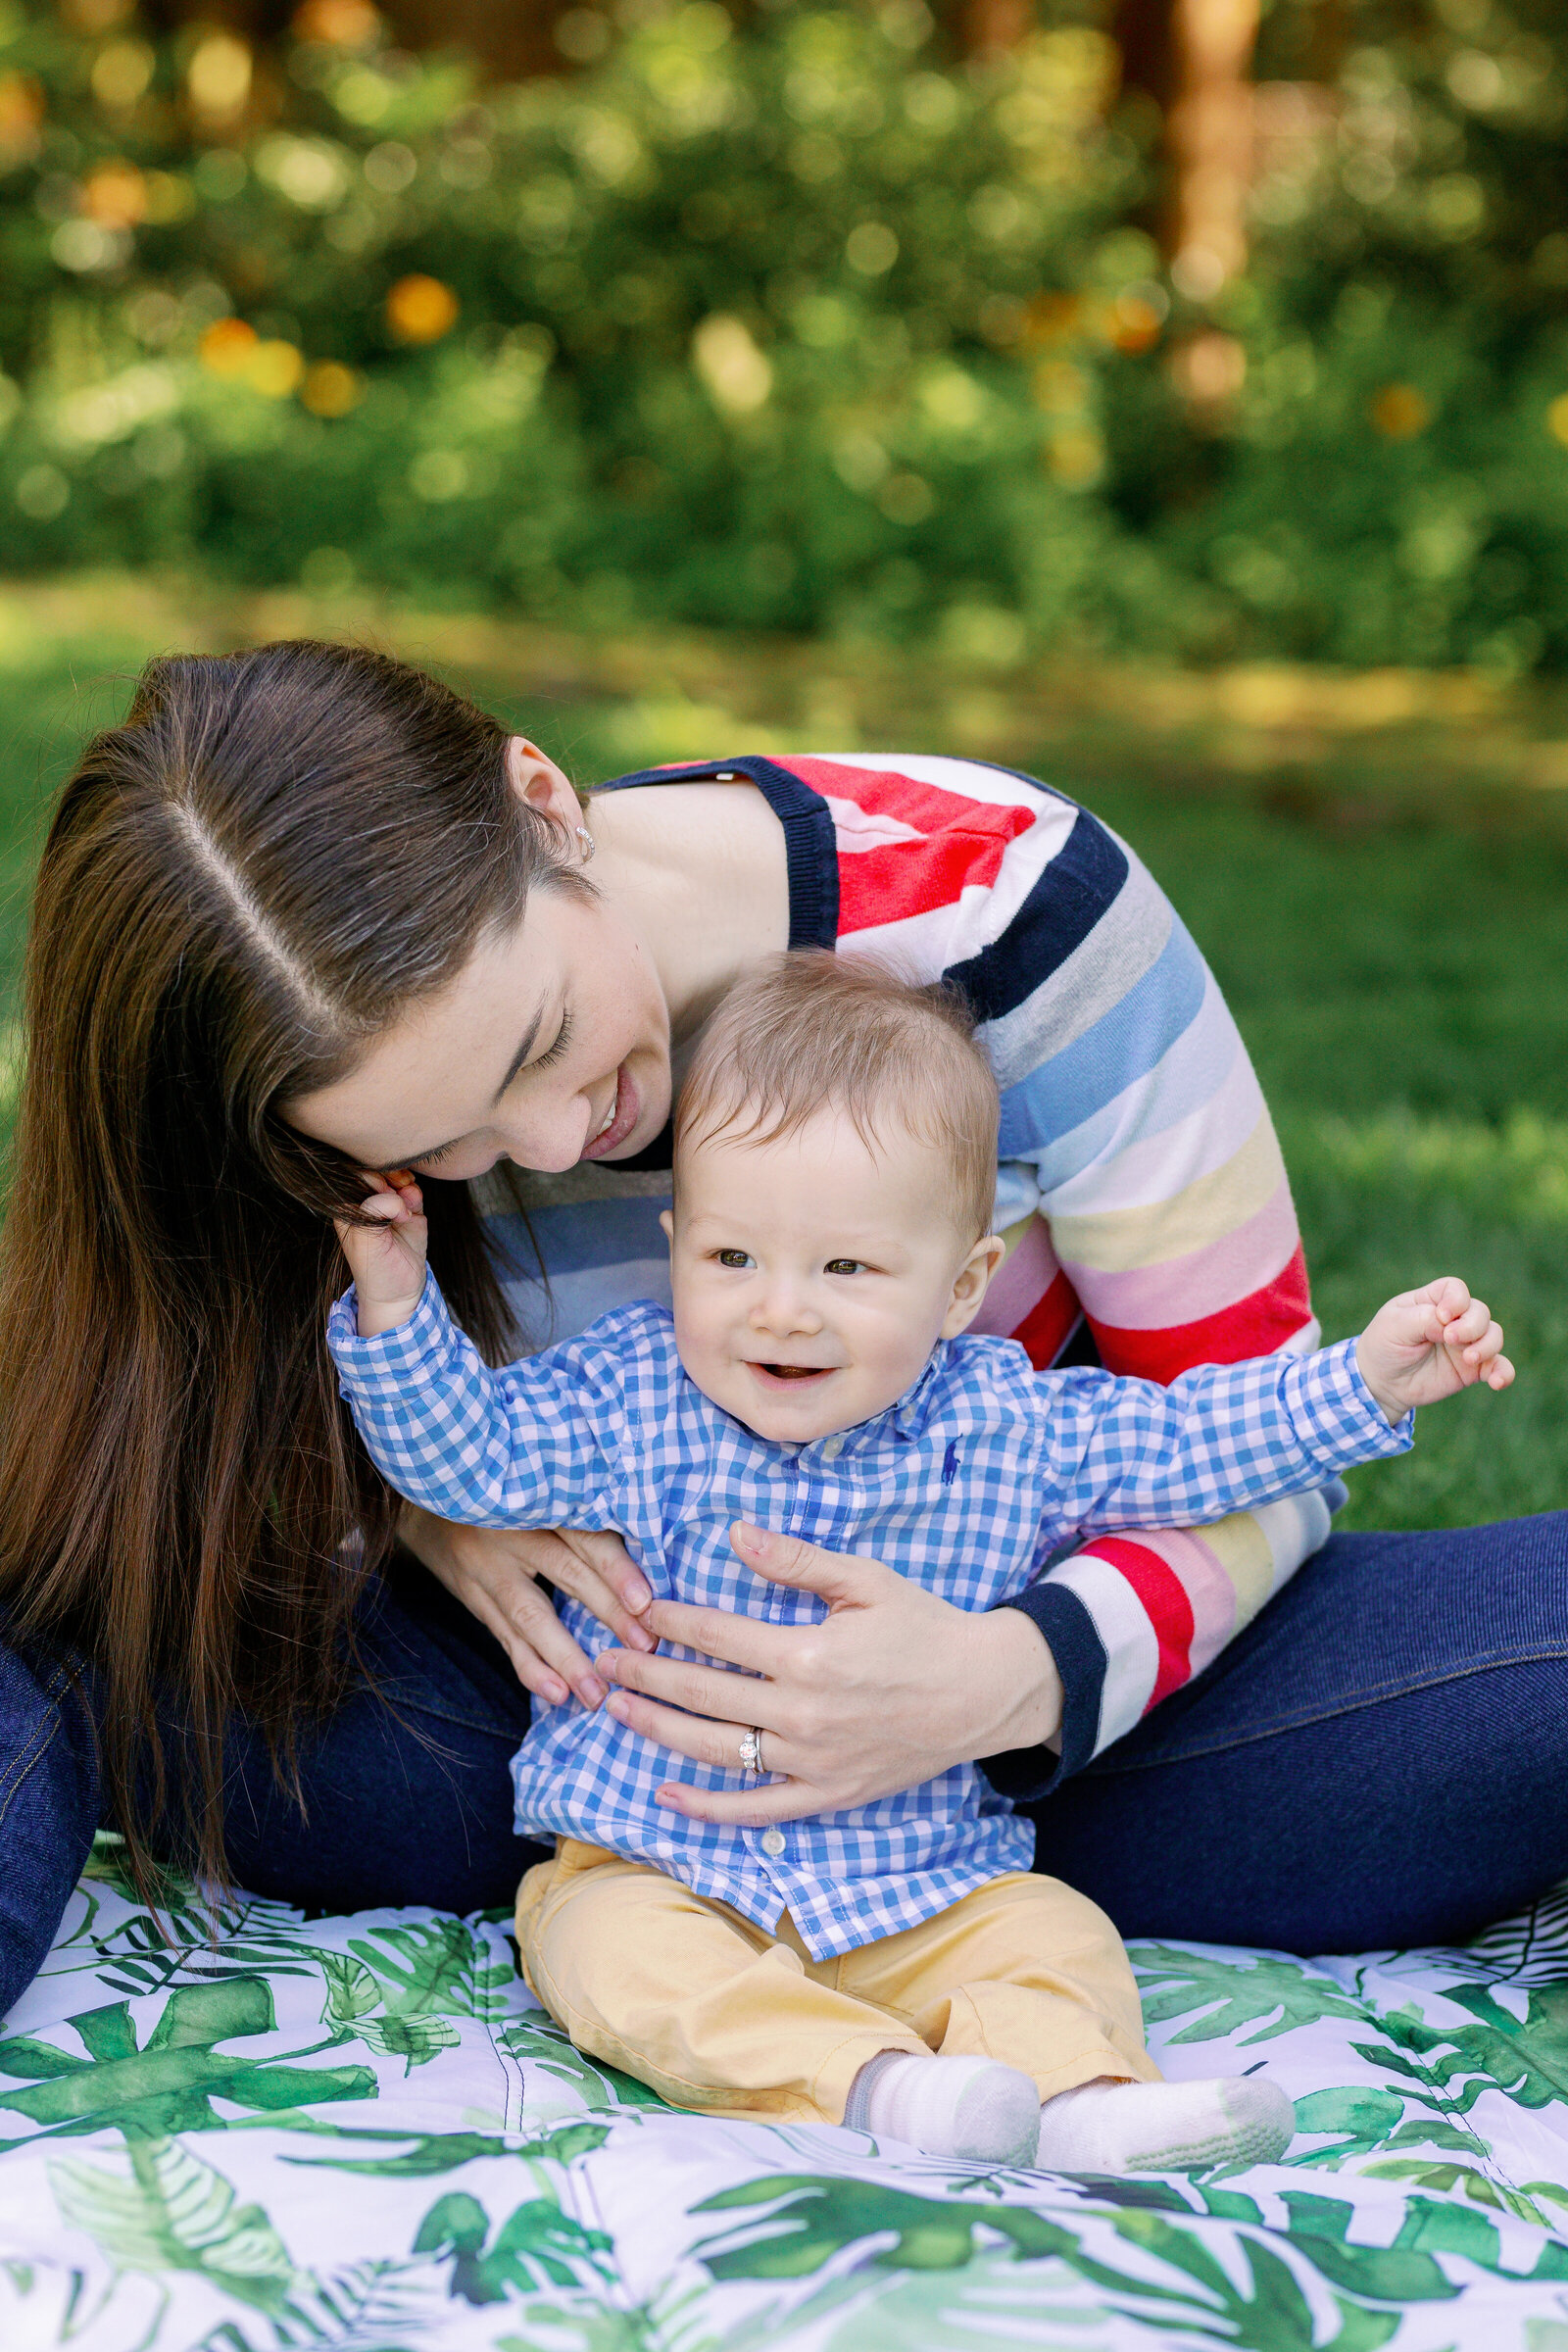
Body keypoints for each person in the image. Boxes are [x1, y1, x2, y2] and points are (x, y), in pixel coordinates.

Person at [0, 639, 1563, 2025]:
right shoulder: (324, 1054)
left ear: (542, 800)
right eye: (453, 1143)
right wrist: (416, 1503)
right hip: (587, 1765)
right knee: (60, 1585)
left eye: (542, 1043)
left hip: (1074, 1739)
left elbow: (1242, 1437)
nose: (550, 1147)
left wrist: (1000, 1682)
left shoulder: (1019, 918)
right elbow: (225, 1416)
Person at [326, 954, 1509, 2170]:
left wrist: (1363, 1381)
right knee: (607, 1960)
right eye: (732, 1260)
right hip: (655, 1858)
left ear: (961, 1289)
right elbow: (469, 1465)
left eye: (846, 1269)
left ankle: (1082, 2098)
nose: (781, 1310)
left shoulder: (1008, 1424)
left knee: (1051, 1937)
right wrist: (396, 1303)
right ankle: (875, 2087)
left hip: (920, 1882)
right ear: (678, 1243)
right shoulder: (628, 1393)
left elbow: (1188, 1444)